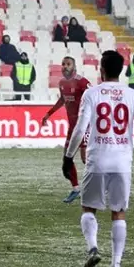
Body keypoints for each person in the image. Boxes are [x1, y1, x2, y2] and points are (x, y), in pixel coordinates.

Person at [62, 50, 134, 267]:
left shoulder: (92, 93)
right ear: (121, 70)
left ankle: (93, 248)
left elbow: (80, 129)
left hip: (97, 159)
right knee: (119, 212)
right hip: (122, 161)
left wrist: (68, 156)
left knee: (88, 209)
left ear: (101, 70)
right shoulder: (133, 95)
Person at [41, 57, 91, 203]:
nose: (65, 67)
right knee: (67, 159)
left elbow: (95, 96)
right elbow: (62, 100)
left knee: (85, 159)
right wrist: (49, 114)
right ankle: (76, 189)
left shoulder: (82, 82)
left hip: (85, 125)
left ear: (74, 66)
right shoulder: (62, 83)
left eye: (68, 64)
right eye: (63, 64)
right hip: (72, 127)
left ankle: (103, 184)